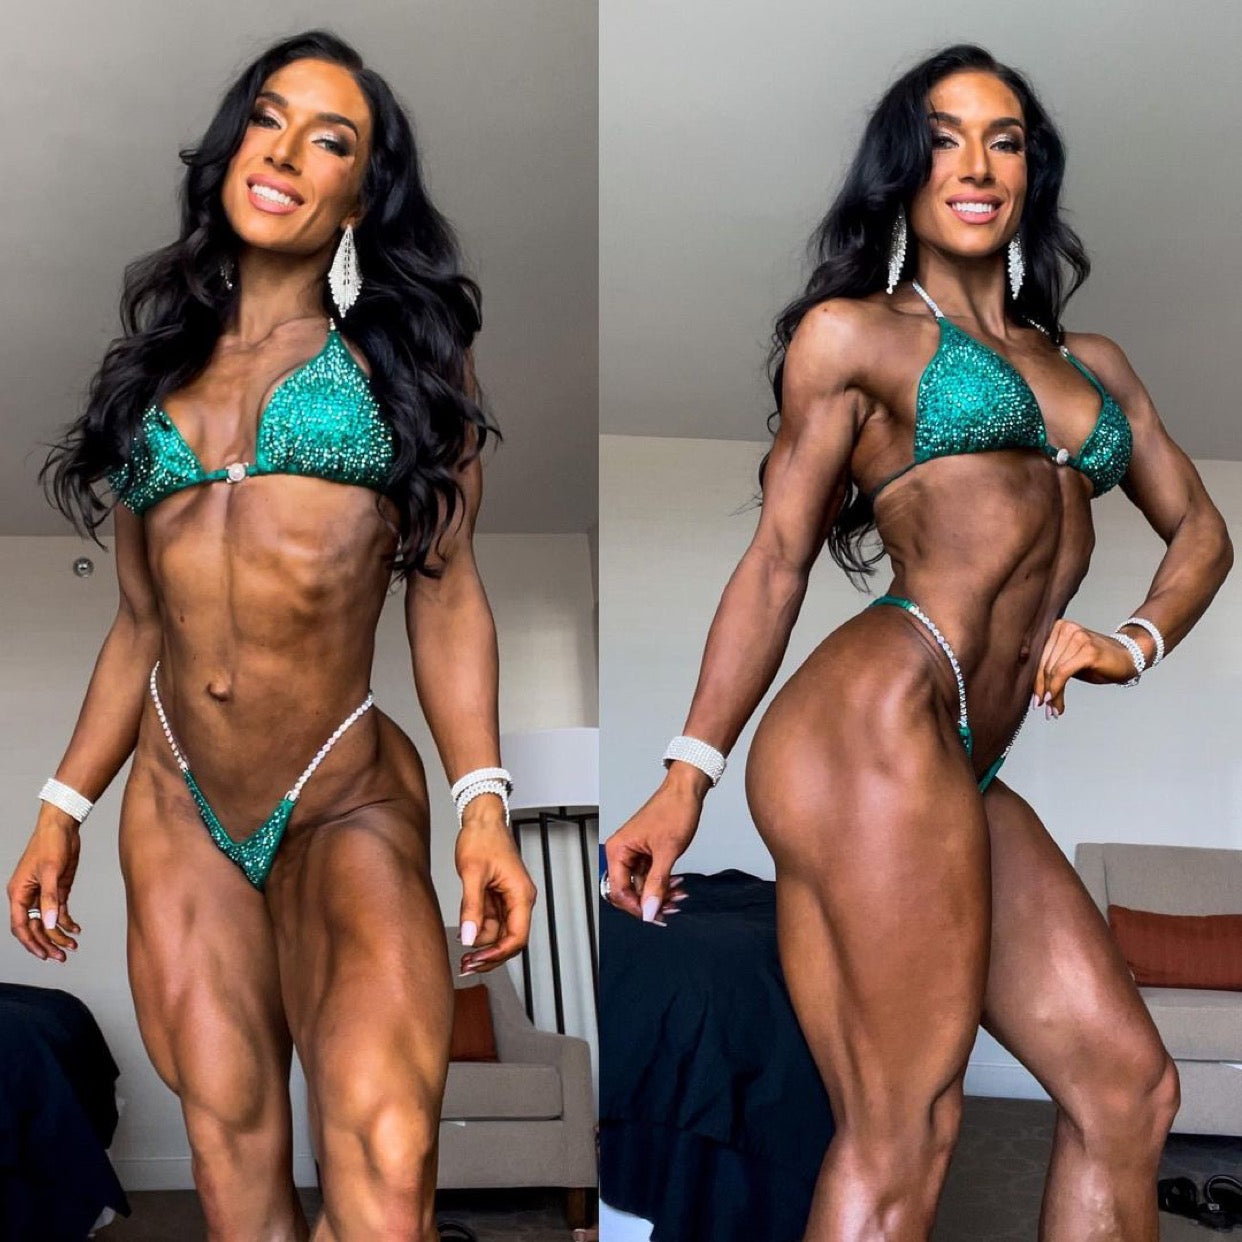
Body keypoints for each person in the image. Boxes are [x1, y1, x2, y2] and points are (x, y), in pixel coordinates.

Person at [603, 43, 1232, 1240]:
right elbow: (776, 563)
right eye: (945, 138)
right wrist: (686, 776)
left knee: (1129, 1089)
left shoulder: (1092, 365)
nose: (977, 164)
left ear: (1031, 172)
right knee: (906, 1126)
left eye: (1005, 140)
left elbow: (1201, 529)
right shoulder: (855, 337)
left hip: (963, 761)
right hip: (872, 718)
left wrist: (1136, 640)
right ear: (903, 168)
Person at [7, 29, 536, 1242]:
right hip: (178, 805)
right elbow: (140, 623)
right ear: (233, 146)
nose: (286, 152)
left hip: (344, 794)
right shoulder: (153, 382)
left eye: (329, 140)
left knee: (387, 1160)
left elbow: (446, 590)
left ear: (361, 193)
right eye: (268, 118)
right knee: (232, 1156)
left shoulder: (409, 360)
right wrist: (59, 808)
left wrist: (484, 805)